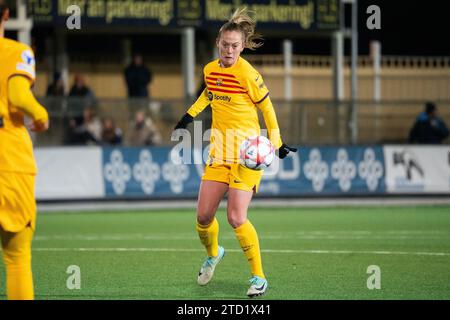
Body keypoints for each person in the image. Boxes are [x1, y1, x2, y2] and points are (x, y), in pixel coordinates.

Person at [172, 8, 297, 298]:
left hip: (246, 156)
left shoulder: (249, 75)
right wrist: (189, 116)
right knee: (203, 217)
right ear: (219, 42)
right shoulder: (209, 70)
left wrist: (276, 142)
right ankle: (214, 253)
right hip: (218, 153)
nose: (229, 50)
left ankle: (259, 277)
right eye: (225, 44)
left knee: (236, 217)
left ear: (242, 47)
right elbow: (209, 92)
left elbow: (267, 108)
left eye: (235, 45)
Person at [0, 0, 49, 300]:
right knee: (16, 258)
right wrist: (41, 115)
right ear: (6, 14)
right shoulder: (16, 52)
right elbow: (18, 95)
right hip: (8, 160)